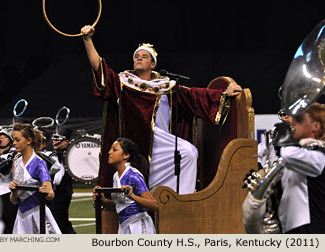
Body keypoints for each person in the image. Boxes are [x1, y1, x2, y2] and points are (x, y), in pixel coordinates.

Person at [81, 25, 242, 194]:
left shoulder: (165, 87)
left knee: (189, 153)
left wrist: (223, 93)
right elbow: (99, 69)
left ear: (153, 64)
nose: (139, 58)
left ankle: (182, 199)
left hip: (162, 143)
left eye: (144, 56)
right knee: (135, 185)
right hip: (136, 145)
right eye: (136, 56)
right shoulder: (123, 83)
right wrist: (87, 40)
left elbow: (196, 96)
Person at [243, 103, 325, 233]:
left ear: (316, 126)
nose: (292, 122)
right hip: (290, 228)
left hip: (312, 230)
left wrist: (284, 134)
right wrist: (260, 182)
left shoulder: (319, 155)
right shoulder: (298, 153)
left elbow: (288, 155)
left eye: (299, 119)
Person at [94, 138, 158, 234]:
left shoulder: (133, 176)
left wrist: (132, 196)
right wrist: (105, 201)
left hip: (138, 226)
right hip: (123, 226)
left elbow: (154, 205)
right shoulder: (116, 176)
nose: (109, 152)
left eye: (114, 150)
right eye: (110, 149)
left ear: (126, 155)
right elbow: (123, 205)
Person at [9, 123, 61, 234]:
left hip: (38, 214)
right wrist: (14, 192)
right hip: (21, 216)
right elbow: (14, 201)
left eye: (17, 140)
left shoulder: (39, 163)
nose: (14, 143)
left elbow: (51, 195)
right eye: (14, 140)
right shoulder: (15, 163)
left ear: (28, 141)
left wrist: (46, 191)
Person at [51, 126, 76, 234]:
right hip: (55, 192)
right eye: (53, 138)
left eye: (57, 139)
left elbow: (58, 178)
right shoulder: (53, 154)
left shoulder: (70, 154)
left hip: (63, 192)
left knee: (62, 222)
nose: (54, 141)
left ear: (66, 142)